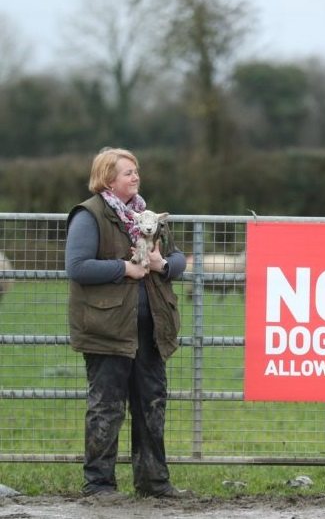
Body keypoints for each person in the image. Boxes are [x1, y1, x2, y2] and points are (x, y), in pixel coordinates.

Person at [65, 147, 190, 498]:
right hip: (108, 331)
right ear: (107, 178)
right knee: (106, 408)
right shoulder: (89, 216)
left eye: (136, 171)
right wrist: (125, 268)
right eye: (127, 172)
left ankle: (154, 482)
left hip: (150, 332)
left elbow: (178, 260)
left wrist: (160, 265)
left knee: (151, 406)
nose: (135, 177)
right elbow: (77, 268)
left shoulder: (148, 217)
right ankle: (99, 485)